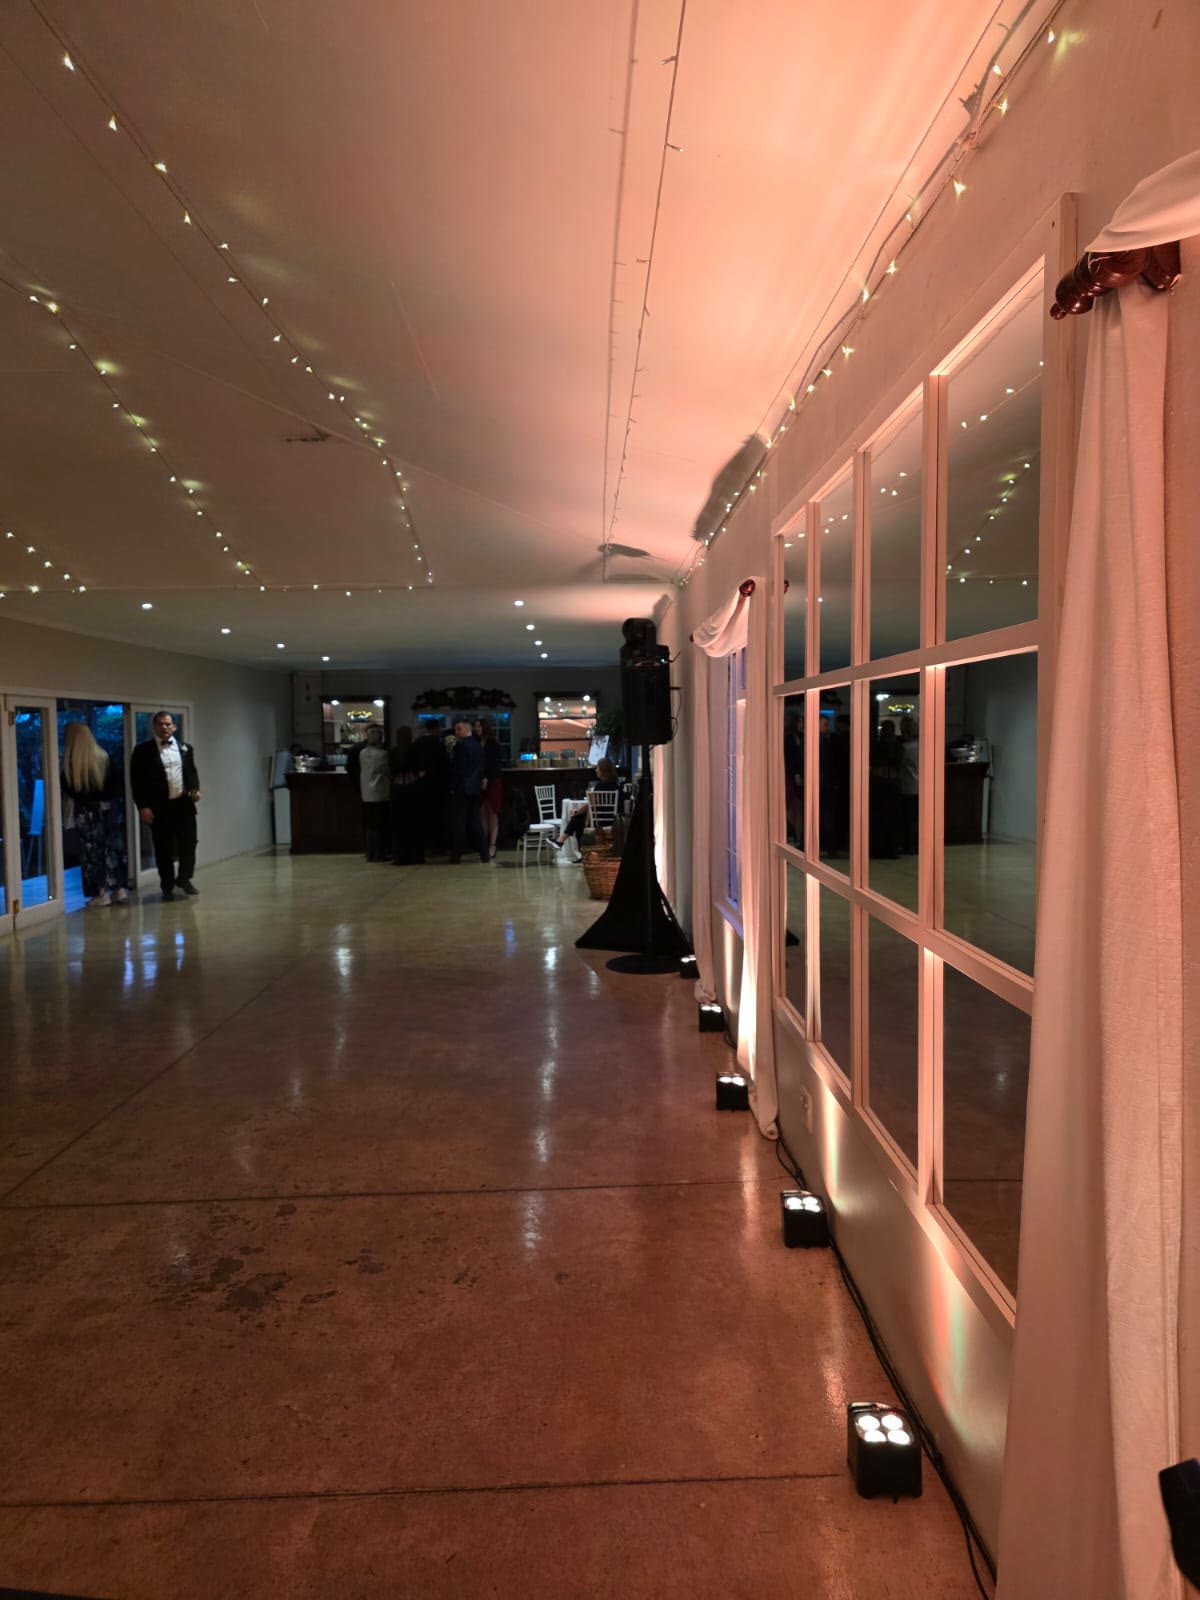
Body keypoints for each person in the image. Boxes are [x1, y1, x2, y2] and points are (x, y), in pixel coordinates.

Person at [129, 711, 201, 901]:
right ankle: (167, 886)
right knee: (163, 848)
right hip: (159, 807)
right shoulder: (142, 751)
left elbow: (192, 773)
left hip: (183, 804)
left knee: (189, 843)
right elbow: (137, 781)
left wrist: (195, 789)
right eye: (161, 724)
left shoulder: (186, 748)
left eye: (168, 724)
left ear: (174, 727)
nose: (165, 727)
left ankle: (184, 878)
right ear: (155, 727)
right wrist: (143, 806)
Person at [61, 722, 129, 907]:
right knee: (113, 850)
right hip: (108, 812)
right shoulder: (104, 758)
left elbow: (71, 791)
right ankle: (118, 888)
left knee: (91, 854)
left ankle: (99, 892)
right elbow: (116, 788)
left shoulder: (69, 765)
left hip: (86, 815)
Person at [549, 757, 620, 864]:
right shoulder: (616, 785)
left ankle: (564, 842)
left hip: (599, 821)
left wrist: (577, 811)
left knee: (577, 819)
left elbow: (591, 804)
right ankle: (564, 842)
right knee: (578, 820)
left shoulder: (600, 786)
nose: (596, 770)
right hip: (612, 819)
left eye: (597, 768)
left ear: (603, 770)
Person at [346, 724, 391, 861]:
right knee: (379, 823)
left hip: (365, 791)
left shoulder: (359, 752)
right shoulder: (383, 754)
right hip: (380, 792)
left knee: (369, 824)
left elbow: (351, 768)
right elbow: (388, 771)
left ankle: (369, 852)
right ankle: (379, 853)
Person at [449, 716, 489, 865]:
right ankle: (484, 854)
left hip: (461, 788)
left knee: (459, 823)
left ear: (467, 729)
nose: (456, 732)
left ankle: (456, 855)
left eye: (458, 729)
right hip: (474, 788)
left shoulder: (460, 747)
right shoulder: (478, 746)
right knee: (475, 822)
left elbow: (458, 770)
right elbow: (481, 767)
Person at [408, 722, 451, 859]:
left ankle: (424, 846)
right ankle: (438, 846)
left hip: (422, 786)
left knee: (423, 817)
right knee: (439, 817)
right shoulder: (439, 745)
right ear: (435, 729)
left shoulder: (417, 744)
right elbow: (446, 765)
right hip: (438, 786)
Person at [478, 716, 504, 861]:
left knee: (492, 811)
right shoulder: (478, 742)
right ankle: (485, 843)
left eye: (479, 726)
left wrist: (487, 778)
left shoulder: (493, 743)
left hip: (493, 780)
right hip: (481, 780)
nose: (477, 729)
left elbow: (495, 764)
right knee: (482, 812)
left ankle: (492, 844)